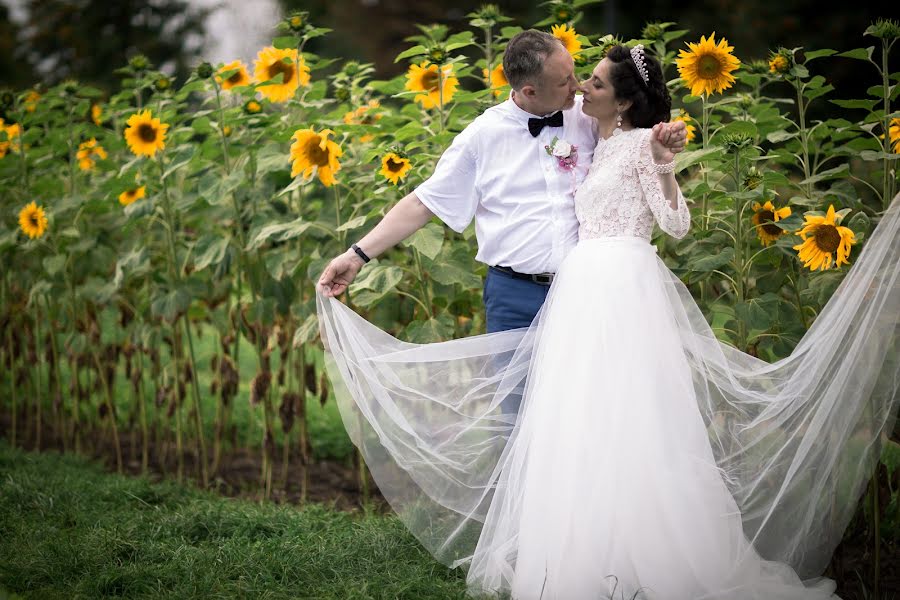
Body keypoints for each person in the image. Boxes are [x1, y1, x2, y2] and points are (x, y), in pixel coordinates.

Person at [316, 43, 900, 600]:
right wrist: (358, 254)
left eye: (582, 77)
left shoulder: (594, 121)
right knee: (532, 427)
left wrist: (664, 148)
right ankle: (549, 555)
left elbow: (658, 181)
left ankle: (627, 553)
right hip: (519, 293)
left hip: (599, 296)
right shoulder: (484, 136)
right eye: (567, 80)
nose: (576, 88)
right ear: (527, 89)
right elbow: (422, 202)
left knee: (617, 421)